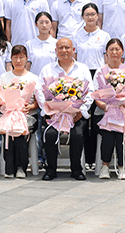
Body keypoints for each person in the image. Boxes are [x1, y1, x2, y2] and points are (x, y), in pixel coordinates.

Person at [38, 38, 94, 180]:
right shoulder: (47, 69)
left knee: (77, 135)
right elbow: (39, 92)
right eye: (60, 48)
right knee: (50, 135)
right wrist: (49, 110)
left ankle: (76, 169)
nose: (64, 51)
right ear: (55, 51)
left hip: (76, 115)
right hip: (54, 116)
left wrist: (81, 111)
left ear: (73, 50)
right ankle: (51, 169)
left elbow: (90, 92)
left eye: (67, 47)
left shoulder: (82, 69)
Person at [93, 39, 125, 180]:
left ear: (122, 51)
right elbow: (96, 96)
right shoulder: (101, 71)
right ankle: (105, 166)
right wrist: (107, 107)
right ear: (106, 52)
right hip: (104, 112)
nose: (114, 52)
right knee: (108, 133)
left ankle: (122, 166)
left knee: (123, 133)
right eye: (111, 49)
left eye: (117, 49)